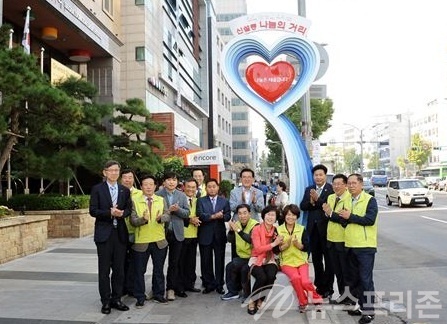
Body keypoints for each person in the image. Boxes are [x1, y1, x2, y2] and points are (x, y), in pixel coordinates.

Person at [89, 160, 132, 314]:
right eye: (111, 170)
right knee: (104, 270)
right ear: (105, 172)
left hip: (120, 234)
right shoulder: (97, 189)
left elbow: (129, 208)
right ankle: (106, 301)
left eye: (116, 170)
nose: (114, 173)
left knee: (119, 270)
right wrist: (109, 213)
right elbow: (93, 210)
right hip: (104, 234)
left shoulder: (124, 190)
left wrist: (122, 214)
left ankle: (117, 299)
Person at [336, 173, 378, 324]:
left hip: (365, 247)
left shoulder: (370, 200)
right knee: (354, 279)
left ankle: (369, 311)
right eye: (349, 183)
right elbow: (343, 221)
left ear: (361, 184)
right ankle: (360, 306)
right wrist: (344, 218)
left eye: (354, 183)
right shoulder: (347, 200)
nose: (351, 186)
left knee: (366, 280)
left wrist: (350, 217)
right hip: (350, 245)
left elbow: (369, 220)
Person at [130, 174, 170, 307]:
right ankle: (140, 296)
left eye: (151, 184)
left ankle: (159, 294)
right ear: (141, 187)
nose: (148, 187)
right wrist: (143, 219)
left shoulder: (161, 199)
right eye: (145, 184)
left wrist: (161, 218)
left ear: (155, 186)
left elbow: (167, 215)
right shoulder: (134, 200)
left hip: (159, 241)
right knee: (139, 271)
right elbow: (133, 221)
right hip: (141, 242)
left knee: (158, 270)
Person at [277, 204, 322, 313]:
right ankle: (303, 302)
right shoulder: (278, 230)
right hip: (286, 262)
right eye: (288, 215)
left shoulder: (302, 229)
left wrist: (298, 244)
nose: (290, 217)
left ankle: (316, 299)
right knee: (296, 278)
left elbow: (306, 248)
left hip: (301, 261)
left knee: (306, 281)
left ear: (297, 217)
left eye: (293, 215)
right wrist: (284, 246)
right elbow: (276, 250)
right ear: (284, 216)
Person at [300, 164, 335, 299]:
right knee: (316, 259)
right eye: (316, 175)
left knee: (329, 260)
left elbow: (328, 207)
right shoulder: (309, 189)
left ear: (325, 176)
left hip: (327, 230)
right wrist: (312, 203)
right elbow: (303, 206)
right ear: (313, 176)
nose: (318, 177)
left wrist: (317, 200)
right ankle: (320, 286)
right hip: (312, 230)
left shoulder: (331, 189)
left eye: (321, 175)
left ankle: (329, 287)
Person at [156, 172, 190, 301]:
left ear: (177, 182)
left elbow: (187, 213)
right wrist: (168, 211)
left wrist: (177, 210)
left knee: (174, 263)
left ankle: (171, 289)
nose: (171, 182)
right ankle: (157, 289)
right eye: (169, 179)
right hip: (161, 233)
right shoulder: (158, 195)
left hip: (177, 233)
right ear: (164, 182)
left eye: (174, 180)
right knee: (159, 263)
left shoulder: (181, 195)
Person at [322, 174, 353, 305]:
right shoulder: (330, 197)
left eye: (339, 184)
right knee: (337, 271)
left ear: (345, 185)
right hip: (331, 238)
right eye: (334, 184)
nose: (336, 186)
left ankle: (350, 297)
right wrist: (328, 213)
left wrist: (330, 213)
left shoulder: (349, 198)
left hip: (343, 239)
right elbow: (329, 216)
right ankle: (342, 295)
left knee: (346, 270)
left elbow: (343, 219)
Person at [197, 178, 231, 295]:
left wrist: (221, 216)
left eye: (214, 186)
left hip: (219, 235)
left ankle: (219, 284)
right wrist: (213, 216)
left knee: (219, 261)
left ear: (218, 188)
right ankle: (208, 284)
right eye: (209, 186)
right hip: (205, 235)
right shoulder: (200, 201)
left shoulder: (224, 201)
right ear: (206, 188)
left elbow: (227, 216)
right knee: (205, 261)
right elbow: (201, 215)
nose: (212, 189)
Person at [247, 205, 283, 315]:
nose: (270, 217)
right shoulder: (256, 229)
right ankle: (252, 300)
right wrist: (274, 243)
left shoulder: (276, 230)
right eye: (268, 214)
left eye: (273, 215)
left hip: (269, 258)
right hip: (256, 258)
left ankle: (261, 300)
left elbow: (276, 250)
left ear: (276, 218)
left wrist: (280, 244)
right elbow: (257, 249)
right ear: (263, 215)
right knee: (261, 277)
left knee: (271, 275)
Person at [221, 204, 259, 301]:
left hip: (253, 257)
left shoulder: (255, 225)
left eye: (245, 213)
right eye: (240, 214)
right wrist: (230, 231)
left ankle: (247, 295)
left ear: (249, 214)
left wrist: (238, 230)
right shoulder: (237, 223)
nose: (242, 216)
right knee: (230, 266)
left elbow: (251, 240)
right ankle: (233, 292)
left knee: (244, 269)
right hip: (242, 256)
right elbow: (230, 240)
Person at [120, 168, 142, 298]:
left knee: (135, 261)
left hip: (136, 232)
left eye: (130, 177)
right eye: (125, 177)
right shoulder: (117, 192)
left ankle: (132, 287)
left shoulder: (140, 194)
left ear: (134, 180)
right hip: (120, 232)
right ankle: (121, 287)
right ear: (121, 179)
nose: (127, 180)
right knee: (120, 261)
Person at [178, 178, 202, 293]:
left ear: (196, 188)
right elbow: (176, 215)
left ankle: (190, 284)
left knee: (191, 261)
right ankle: (180, 286)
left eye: (193, 187)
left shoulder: (198, 201)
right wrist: (189, 219)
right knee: (181, 261)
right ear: (184, 187)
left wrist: (197, 219)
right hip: (182, 234)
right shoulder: (179, 199)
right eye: (188, 187)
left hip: (194, 235)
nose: (191, 189)